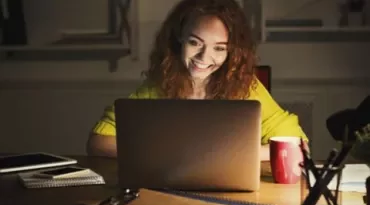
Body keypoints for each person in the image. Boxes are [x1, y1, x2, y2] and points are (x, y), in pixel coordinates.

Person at [86, 0, 309, 160]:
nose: (204, 58)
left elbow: (299, 146)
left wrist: (225, 154)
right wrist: (169, 155)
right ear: (179, 39)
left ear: (234, 52)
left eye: (219, 48)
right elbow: (99, 142)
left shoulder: (245, 87)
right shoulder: (158, 85)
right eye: (195, 43)